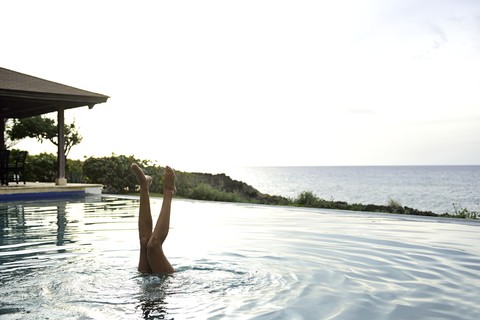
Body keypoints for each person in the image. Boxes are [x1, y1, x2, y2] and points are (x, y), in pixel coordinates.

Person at [131, 163, 176, 274]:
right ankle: (164, 191)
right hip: (166, 286)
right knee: (150, 245)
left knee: (148, 243)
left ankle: (148, 187)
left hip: (151, 286)